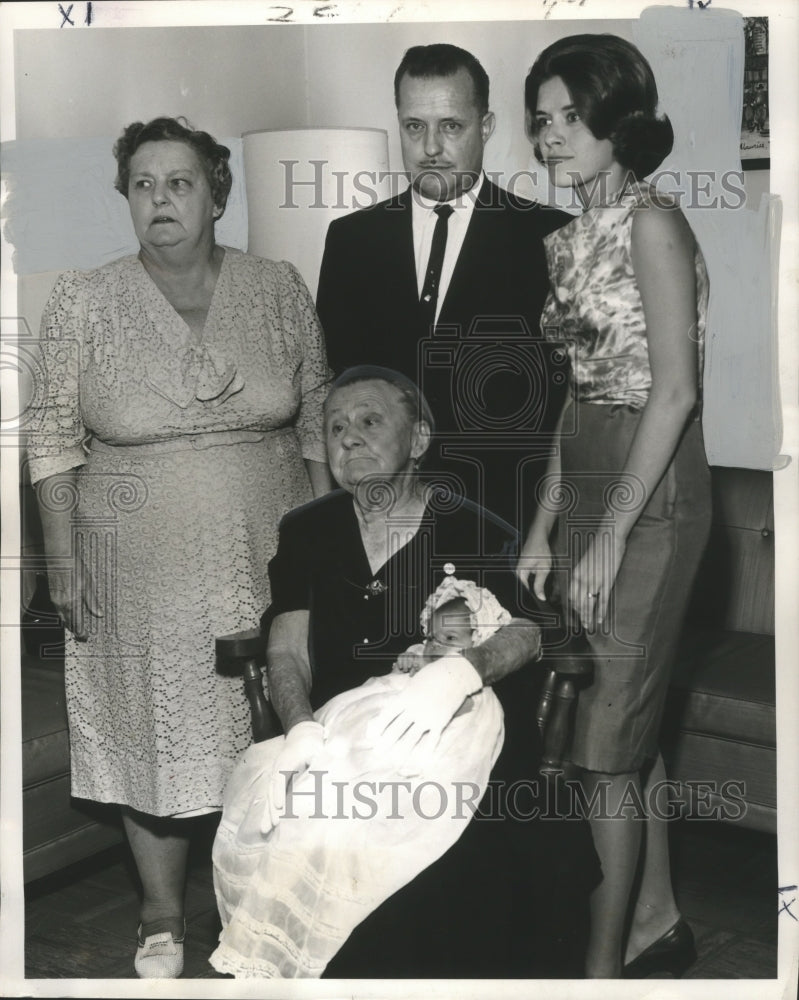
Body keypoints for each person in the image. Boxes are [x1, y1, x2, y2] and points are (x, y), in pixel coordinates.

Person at [25, 116, 332, 979]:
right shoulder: (83, 299)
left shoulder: (276, 285)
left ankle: (264, 904)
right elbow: (49, 434)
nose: (160, 200)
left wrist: (329, 543)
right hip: (134, 558)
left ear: (215, 193)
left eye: (180, 183)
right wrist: (60, 554)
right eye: (143, 185)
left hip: (270, 549)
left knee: (277, 723)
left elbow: (318, 415)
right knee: (149, 723)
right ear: (126, 197)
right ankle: (161, 914)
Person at [210, 365, 599, 979]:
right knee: (303, 821)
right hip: (343, 735)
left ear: (419, 439)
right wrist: (301, 729)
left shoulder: (471, 521)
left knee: (461, 849)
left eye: (370, 421)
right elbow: (286, 650)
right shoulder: (305, 531)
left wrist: (464, 672)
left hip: (457, 730)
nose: (349, 438)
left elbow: (530, 629)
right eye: (335, 427)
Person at [517, 35, 712, 979]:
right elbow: (575, 395)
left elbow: (672, 393)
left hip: (655, 493)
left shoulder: (653, 222)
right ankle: (655, 922)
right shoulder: (566, 238)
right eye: (541, 121)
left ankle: (597, 978)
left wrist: (606, 538)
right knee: (621, 732)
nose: (553, 137)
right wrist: (544, 528)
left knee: (601, 752)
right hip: (593, 474)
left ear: (616, 121)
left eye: (570, 118)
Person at [316, 43, 572, 532]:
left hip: (504, 524)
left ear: (486, 127)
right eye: (415, 127)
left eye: (450, 126)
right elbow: (338, 384)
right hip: (380, 524)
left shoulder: (550, 236)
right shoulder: (351, 239)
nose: (430, 148)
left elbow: (563, 406)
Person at [210, 575, 511, 977]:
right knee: (297, 769)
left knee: (353, 801)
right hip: (373, 723)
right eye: (434, 639)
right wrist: (413, 663)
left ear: (479, 643)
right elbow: (390, 687)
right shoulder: (426, 657)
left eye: (453, 640)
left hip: (423, 752)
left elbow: (453, 730)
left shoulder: (473, 690)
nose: (439, 649)